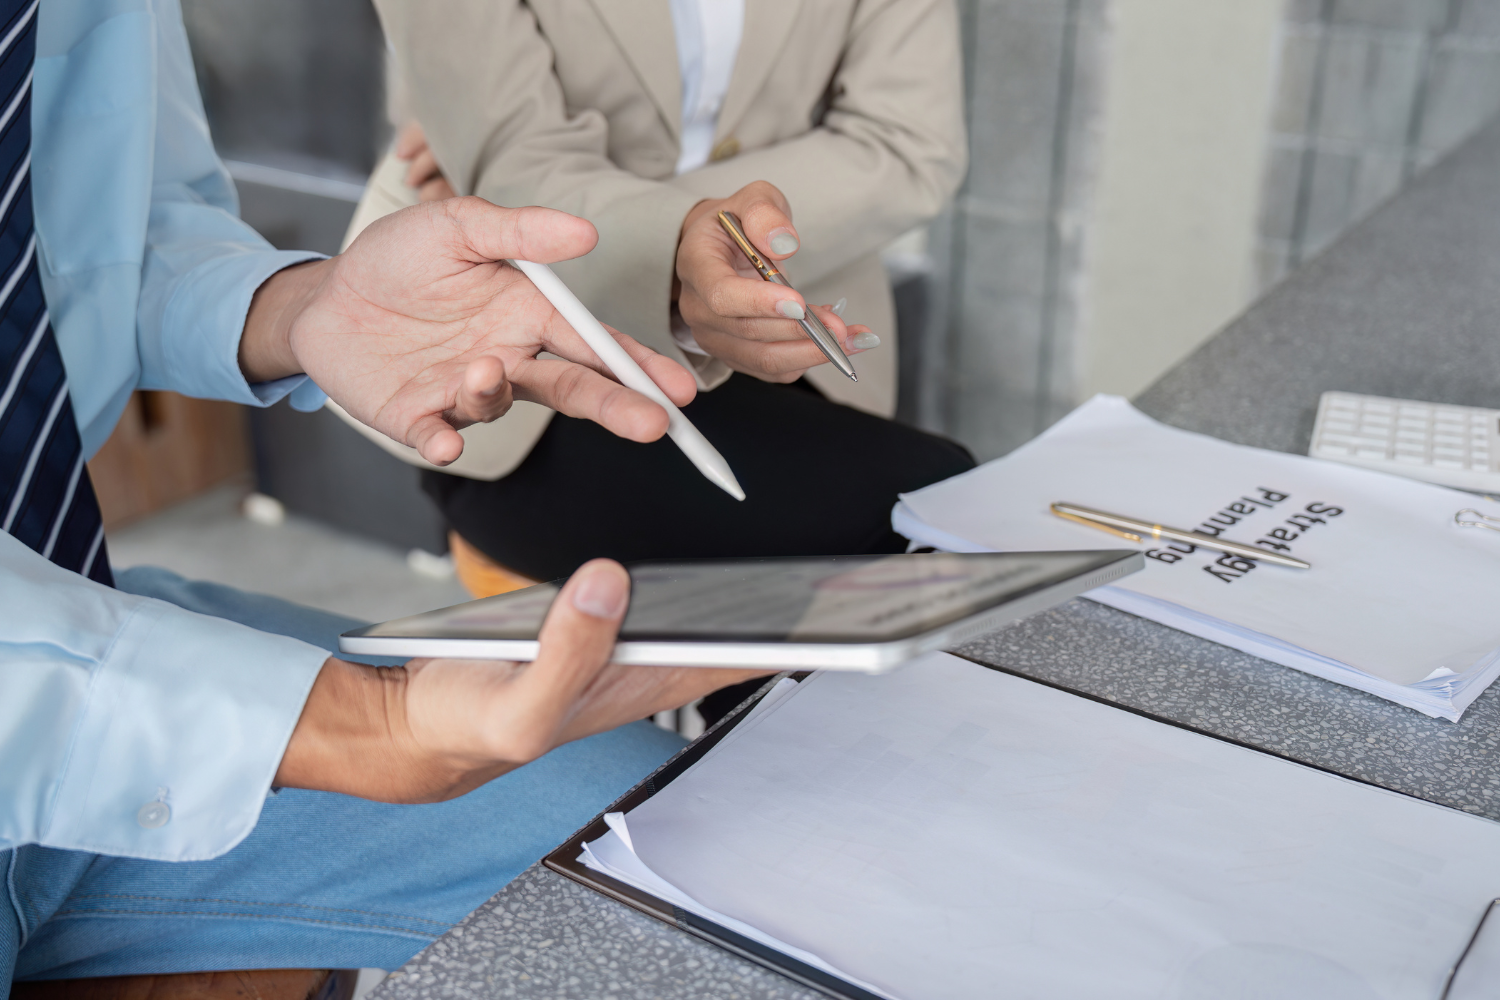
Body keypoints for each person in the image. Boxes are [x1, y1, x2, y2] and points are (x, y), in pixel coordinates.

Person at [1, 0, 771, 988]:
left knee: (686, 845)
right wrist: (363, 726)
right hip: (79, 691)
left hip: (82, 613)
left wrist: (302, 307)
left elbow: (106, 232)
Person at [359, 0, 975, 721]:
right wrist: (671, 244)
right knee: (874, 532)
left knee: (936, 522)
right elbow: (520, 160)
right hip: (526, 353)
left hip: (785, 322)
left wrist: (694, 236)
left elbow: (908, 149)